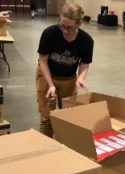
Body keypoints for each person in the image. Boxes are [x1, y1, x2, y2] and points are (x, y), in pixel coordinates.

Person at [36, 2, 94, 137]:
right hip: (46, 75)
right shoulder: (49, 34)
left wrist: (81, 77)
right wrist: (50, 85)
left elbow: (85, 64)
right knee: (46, 118)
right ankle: (45, 151)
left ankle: (65, 150)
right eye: (62, 25)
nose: (65, 31)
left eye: (70, 27)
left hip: (68, 79)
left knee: (67, 117)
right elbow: (43, 61)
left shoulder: (86, 41)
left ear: (79, 24)